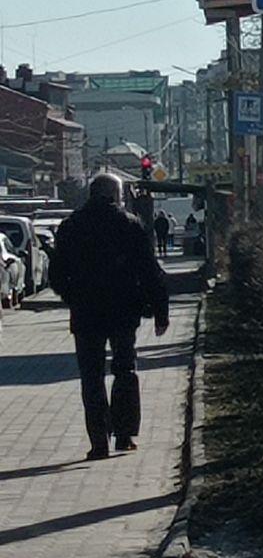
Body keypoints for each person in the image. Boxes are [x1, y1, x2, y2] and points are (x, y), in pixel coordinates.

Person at [47, 171, 171, 463]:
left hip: (86, 312)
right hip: (124, 311)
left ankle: (98, 441)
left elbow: (55, 275)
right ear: (116, 196)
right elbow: (150, 271)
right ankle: (125, 435)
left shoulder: (71, 227)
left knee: (91, 376)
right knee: (125, 369)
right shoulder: (130, 226)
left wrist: (72, 297)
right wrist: (160, 311)